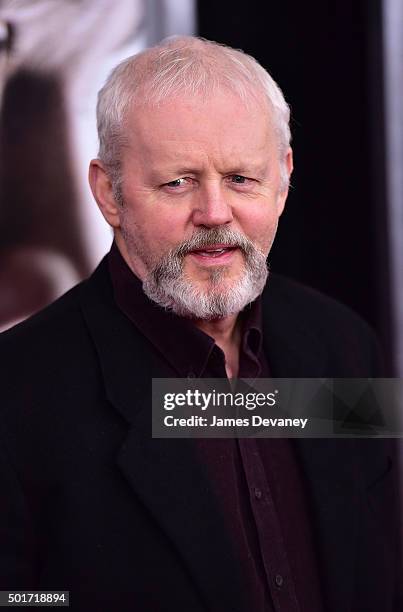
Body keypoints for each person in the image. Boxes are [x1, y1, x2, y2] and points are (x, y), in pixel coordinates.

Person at [0, 36, 401, 612]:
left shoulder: (344, 346)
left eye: (241, 178)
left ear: (283, 178)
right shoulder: (17, 394)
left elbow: (378, 566)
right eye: (177, 181)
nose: (214, 213)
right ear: (109, 193)